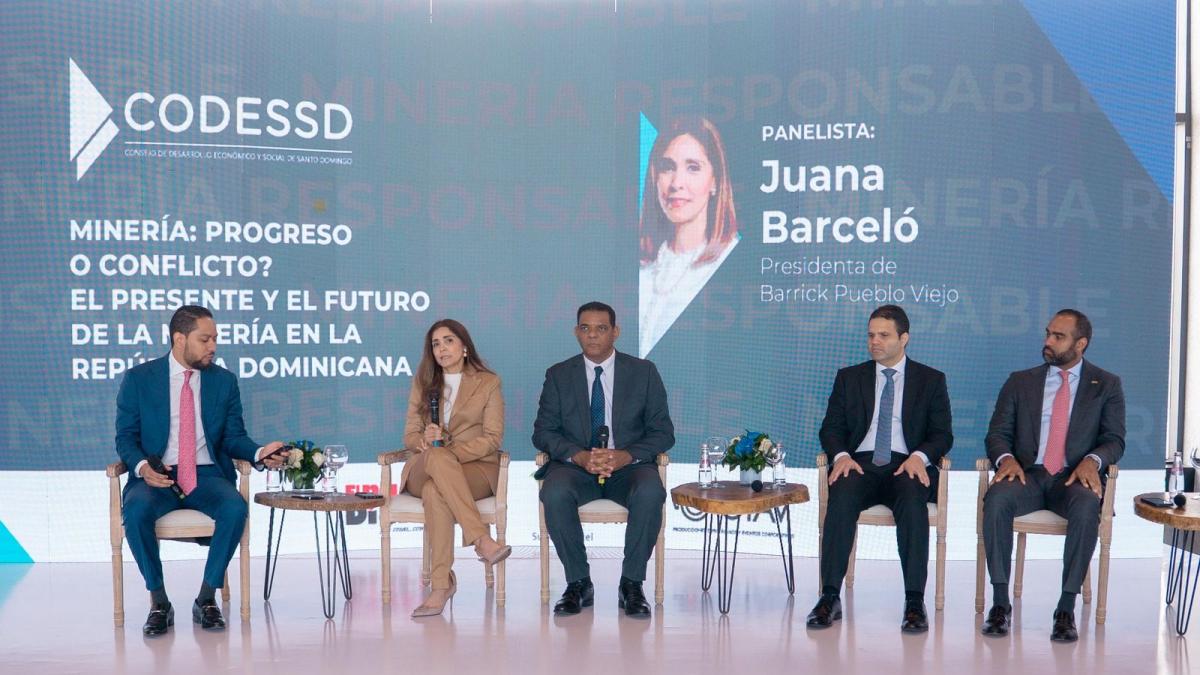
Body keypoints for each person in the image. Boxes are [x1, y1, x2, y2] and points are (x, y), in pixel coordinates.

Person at [115, 305, 285, 636]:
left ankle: (206, 598)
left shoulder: (224, 382)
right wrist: (142, 468)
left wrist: (259, 452)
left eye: (215, 339)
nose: (213, 347)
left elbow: (234, 437)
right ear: (179, 339)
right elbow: (125, 438)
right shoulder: (139, 380)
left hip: (206, 475)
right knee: (135, 512)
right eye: (205, 339)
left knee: (234, 508)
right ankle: (159, 602)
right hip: (158, 476)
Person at [980, 309, 1125, 642]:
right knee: (997, 499)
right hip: (1027, 475)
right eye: (1048, 333)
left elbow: (1114, 440)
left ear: (1081, 344)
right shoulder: (1020, 381)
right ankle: (1000, 603)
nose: (1048, 341)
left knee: (1087, 506)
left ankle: (1065, 608)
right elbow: (997, 433)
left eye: (1058, 336)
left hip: (1072, 478)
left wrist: (1092, 461)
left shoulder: (1106, 385)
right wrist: (1005, 459)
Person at [809, 304, 953, 633]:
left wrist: (920, 456)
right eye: (871, 335)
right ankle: (829, 597)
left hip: (907, 464)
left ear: (904, 338)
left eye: (884, 335)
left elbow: (942, 434)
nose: (874, 341)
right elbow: (831, 429)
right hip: (860, 463)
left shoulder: (931, 380)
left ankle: (914, 602)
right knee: (841, 496)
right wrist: (841, 456)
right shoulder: (849, 378)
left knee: (913, 503)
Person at [533, 301, 674, 618]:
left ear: (615, 332)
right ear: (576, 332)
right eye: (585, 328)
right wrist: (579, 456)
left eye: (601, 328)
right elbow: (543, 432)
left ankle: (631, 584)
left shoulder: (643, 373)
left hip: (629, 468)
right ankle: (578, 583)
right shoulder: (558, 375)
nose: (592, 335)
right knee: (554, 492)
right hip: (576, 468)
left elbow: (663, 433)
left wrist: (627, 455)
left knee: (651, 491)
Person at [401, 319, 511, 617]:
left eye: (448, 340)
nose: (442, 348)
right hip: (425, 465)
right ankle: (481, 540)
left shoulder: (488, 383)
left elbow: (492, 439)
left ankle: (441, 586)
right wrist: (424, 440)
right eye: (436, 344)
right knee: (436, 460)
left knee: (435, 490)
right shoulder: (424, 382)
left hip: (474, 468)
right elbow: (409, 435)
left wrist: (448, 453)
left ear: (464, 346)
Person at [638, 115, 739, 358]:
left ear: (715, 181)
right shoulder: (641, 266)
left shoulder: (731, 262)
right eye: (667, 167)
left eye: (693, 167)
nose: (676, 183)